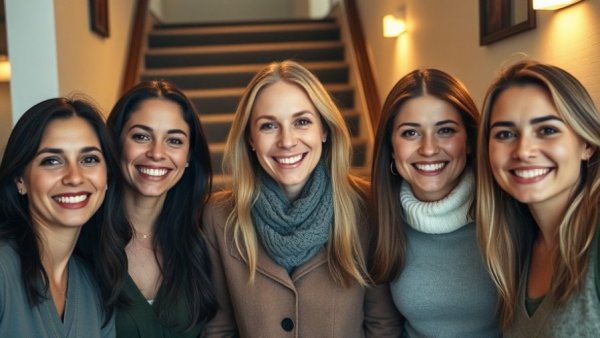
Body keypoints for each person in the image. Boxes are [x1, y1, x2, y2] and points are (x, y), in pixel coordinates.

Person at [202, 60, 402, 337]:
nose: (287, 141)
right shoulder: (218, 217)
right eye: (268, 126)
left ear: (324, 130)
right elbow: (219, 328)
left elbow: (383, 326)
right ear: (250, 138)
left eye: (302, 122)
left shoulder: (366, 207)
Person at [369, 69, 500, 337]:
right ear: (391, 148)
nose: (429, 149)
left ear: (470, 141)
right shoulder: (377, 220)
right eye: (410, 133)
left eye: (445, 130)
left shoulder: (507, 211)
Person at [476, 60, 600, 336]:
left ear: (587, 144)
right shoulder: (514, 243)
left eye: (547, 130)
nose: (523, 151)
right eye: (505, 134)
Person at [98, 80, 217, 337]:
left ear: (187, 158)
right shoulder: (81, 241)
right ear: (116, 144)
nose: (157, 153)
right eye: (141, 136)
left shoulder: (203, 242)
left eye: (174, 141)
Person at [0, 97, 117, 337]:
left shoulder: (94, 288)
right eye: (52, 161)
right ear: (20, 180)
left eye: (89, 159)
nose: (74, 177)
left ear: (107, 178)